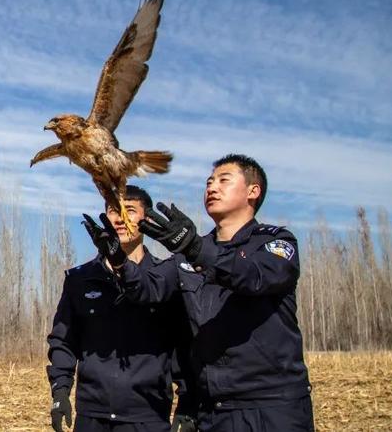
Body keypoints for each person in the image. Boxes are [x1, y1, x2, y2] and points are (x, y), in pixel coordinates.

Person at [88, 154, 314, 431]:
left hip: (273, 406)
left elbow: (254, 277)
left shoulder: (275, 243)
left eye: (223, 180)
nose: (212, 187)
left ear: (253, 191)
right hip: (214, 411)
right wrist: (119, 262)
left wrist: (195, 249)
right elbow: (148, 289)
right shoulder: (187, 256)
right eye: (208, 182)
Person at [47, 185, 196, 432]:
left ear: (146, 219)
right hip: (92, 416)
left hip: (147, 415)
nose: (118, 218)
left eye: (129, 210)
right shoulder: (80, 279)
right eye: (112, 211)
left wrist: (188, 404)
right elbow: (63, 341)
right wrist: (60, 390)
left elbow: (183, 346)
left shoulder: (166, 278)